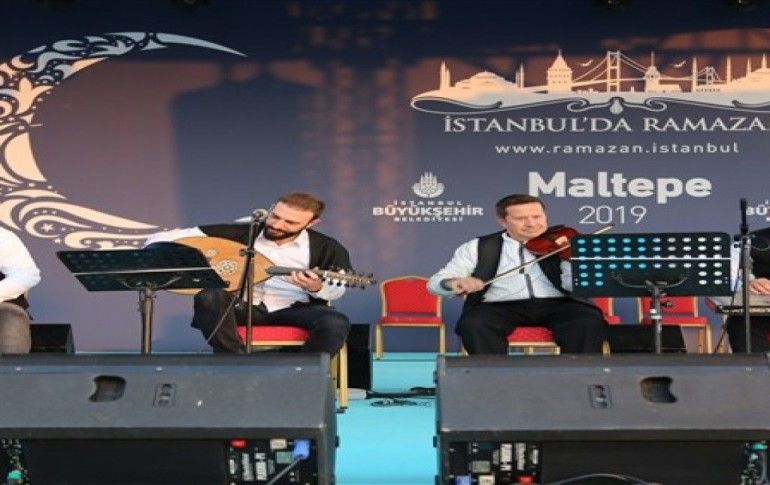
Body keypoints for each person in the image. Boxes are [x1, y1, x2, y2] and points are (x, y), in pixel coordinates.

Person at [146, 192, 351, 355]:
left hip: (294, 308)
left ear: (312, 223)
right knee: (209, 296)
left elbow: (337, 288)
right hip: (241, 307)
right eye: (275, 216)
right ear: (270, 209)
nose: (277, 225)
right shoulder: (241, 232)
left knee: (335, 322)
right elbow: (159, 238)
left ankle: (304, 374)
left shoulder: (327, 247)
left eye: (290, 223)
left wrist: (316, 287)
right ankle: (236, 363)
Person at [427, 194, 605, 354]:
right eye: (521, 218)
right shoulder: (478, 246)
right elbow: (435, 283)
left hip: (561, 304)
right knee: (474, 324)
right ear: (503, 221)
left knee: (587, 322)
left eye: (537, 216)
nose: (531, 223)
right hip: (499, 307)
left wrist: (570, 261)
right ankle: (492, 377)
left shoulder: (564, 243)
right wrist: (453, 283)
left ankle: (582, 377)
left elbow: (573, 287)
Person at [726, 226, 770, 353]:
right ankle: (755, 365)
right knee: (741, 324)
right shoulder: (750, 241)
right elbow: (728, 273)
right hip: (759, 313)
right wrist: (747, 282)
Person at [0, 227, 41, 354]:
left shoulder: (3, 236)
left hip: (2, 306)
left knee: (11, 317)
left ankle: (11, 366)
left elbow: (26, 274)